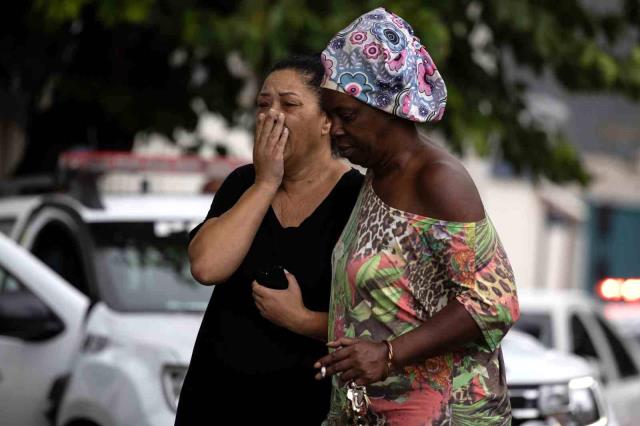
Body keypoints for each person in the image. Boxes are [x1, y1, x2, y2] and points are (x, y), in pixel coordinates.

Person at [313, 8, 520, 425]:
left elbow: (494, 302)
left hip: (446, 412)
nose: (334, 129)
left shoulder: (437, 179)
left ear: (386, 105)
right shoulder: (377, 176)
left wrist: (389, 355)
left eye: (347, 115)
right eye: (329, 115)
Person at [175, 55, 364, 425]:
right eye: (263, 104)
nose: (271, 115)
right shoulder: (243, 183)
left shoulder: (357, 198)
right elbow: (206, 265)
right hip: (216, 402)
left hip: (306, 407)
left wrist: (302, 319)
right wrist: (265, 183)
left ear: (326, 120)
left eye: (289, 104)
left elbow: (379, 324)